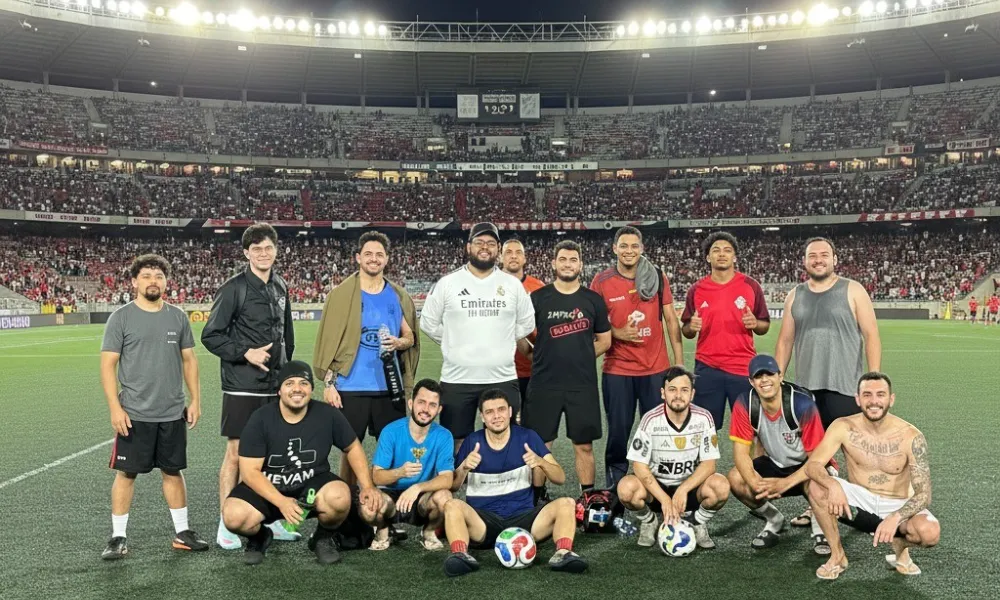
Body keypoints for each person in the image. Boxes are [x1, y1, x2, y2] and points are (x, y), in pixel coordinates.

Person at [221, 361, 385, 566]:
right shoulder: (260, 419)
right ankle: (259, 537)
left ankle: (323, 538)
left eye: (303, 383)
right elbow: (249, 472)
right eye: (289, 383)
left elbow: (352, 447)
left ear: (311, 389)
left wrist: (367, 486)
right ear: (279, 390)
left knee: (340, 496)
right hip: (269, 487)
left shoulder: (327, 414)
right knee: (233, 516)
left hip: (311, 486)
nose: (297, 389)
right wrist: (281, 501)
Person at [99, 254, 207, 559]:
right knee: (126, 474)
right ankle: (118, 537)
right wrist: (115, 408)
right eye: (146, 276)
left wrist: (195, 399)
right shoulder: (121, 318)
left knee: (173, 471)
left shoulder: (178, 317)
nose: (153, 281)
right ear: (134, 282)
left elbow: (189, 360)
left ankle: (182, 533)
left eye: (158, 276)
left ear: (166, 282)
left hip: (172, 412)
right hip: (134, 414)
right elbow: (107, 365)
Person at [202, 223, 297, 549]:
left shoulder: (281, 286)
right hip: (242, 386)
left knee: (270, 456)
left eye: (268, 247)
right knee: (236, 454)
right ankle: (227, 524)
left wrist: (286, 373)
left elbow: (286, 336)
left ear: (276, 250)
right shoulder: (233, 288)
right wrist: (246, 353)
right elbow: (211, 335)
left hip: (274, 386)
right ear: (246, 253)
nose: (263, 253)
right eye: (256, 249)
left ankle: (268, 518)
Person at [805, 372, 939, 580]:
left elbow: (924, 494)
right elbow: (812, 465)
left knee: (930, 532)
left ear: (891, 399)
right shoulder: (843, 426)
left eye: (880, 395)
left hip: (897, 503)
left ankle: (901, 545)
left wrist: (896, 517)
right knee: (816, 487)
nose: (874, 401)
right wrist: (832, 485)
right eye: (867, 395)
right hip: (860, 497)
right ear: (858, 399)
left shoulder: (911, 436)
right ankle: (838, 556)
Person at [312, 231, 420, 486]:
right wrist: (329, 385)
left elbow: (410, 336)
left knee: (392, 450)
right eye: (368, 254)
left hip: (389, 387)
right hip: (350, 387)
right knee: (350, 449)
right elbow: (329, 343)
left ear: (387, 259)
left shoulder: (398, 296)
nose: (374, 259)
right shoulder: (340, 296)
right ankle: (348, 503)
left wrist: (399, 342)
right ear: (358, 258)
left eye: (379, 254)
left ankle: (387, 506)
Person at [442, 389, 587, 577]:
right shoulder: (472, 441)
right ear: (482, 417)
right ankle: (460, 555)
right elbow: (453, 486)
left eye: (501, 409)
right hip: (484, 524)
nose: (496, 416)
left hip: (524, 521)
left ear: (510, 412)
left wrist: (541, 462)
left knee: (566, 503)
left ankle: (563, 553)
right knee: (452, 505)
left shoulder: (527, 437)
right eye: (489, 412)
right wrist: (464, 468)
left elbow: (560, 478)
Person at [421, 222, 535, 452]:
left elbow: (527, 322)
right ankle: (456, 477)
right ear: (468, 247)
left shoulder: (512, 285)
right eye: (479, 242)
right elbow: (428, 322)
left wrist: (501, 336)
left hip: (501, 377)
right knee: (456, 441)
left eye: (491, 243)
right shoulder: (448, 283)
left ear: (498, 249)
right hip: (457, 378)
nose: (485, 247)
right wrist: (454, 339)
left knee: (504, 438)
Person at [590, 226, 684, 488]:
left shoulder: (657, 276)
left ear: (642, 248)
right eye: (624, 246)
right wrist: (618, 333)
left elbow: (671, 319)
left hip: (656, 369)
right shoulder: (602, 281)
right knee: (618, 432)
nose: (629, 251)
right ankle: (616, 486)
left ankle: (659, 484)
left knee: (658, 430)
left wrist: (679, 364)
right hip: (617, 370)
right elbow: (592, 323)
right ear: (615, 249)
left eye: (634, 246)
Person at [521, 240, 611, 497]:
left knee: (584, 445)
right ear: (553, 263)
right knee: (540, 444)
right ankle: (537, 497)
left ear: (580, 264)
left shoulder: (593, 300)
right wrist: (537, 355)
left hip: (581, 385)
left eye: (573, 260)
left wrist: (581, 356)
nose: (568, 264)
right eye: (563, 259)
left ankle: (587, 498)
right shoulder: (538, 298)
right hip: (544, 384)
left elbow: (605, 341)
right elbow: (520, 335)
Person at [727, 354, 832, 555]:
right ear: (751, 382)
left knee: (819, 480)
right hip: (776, 463)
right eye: (758, 376)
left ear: (780, 376)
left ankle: (821, 528)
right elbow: (741, 454)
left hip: (808, 464)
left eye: (769, 374)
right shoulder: (744, 403)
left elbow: (817, 460)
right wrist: (755, 483)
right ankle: (774, 520)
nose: (764, 380)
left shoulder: (802, 404)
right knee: (736, 478)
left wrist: (785, 483)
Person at [617, 366, 730, 550]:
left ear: (692, 394)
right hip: (657, 490)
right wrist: (664, 499)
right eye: (672, 389)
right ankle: (650, 520)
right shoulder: (650, 420)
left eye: (684, 390)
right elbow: (639, 466)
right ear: (663, 393)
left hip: (689, 489)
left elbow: (709, 465)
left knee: (721, 486)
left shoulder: (704, 418)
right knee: (626, 489)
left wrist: (683, 489)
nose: (678, 395)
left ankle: (696, 521)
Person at [774, 237, 881, 429]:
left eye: (824, 255)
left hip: (846, 388)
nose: (818, 260)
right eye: (812, 256)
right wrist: (777, 376)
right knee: (810, 444)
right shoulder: (794, 295)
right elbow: (785, 341)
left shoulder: (854, 290)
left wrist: (873, 377)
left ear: (835, 259)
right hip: (806, 389)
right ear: (804, 261)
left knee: (850, 444)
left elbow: (871, 335)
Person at [681, 231, 770, 431]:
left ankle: (749, 454)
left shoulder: (751, 286)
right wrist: (691, 327)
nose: (722, 254)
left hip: (743, 367)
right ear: (708, 257)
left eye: (727, 250)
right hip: (707, 368)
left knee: (750, 428)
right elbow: (686, 330)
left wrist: (755, 323)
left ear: (734, 257)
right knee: (704, 428)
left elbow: (764, 325)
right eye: (716, 250)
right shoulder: (696, 289)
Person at [371, 379, 454, 551]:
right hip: (390, 495)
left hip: (422, 497)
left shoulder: (444, 436)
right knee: (368, 505)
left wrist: (417, 488)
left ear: (439, 410)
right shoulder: (391, 431)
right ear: (411, 404)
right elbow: (377, 476)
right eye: (421, 402)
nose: (426, 409)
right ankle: (383, 529)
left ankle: (429, 531)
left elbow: (447, 479)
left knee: (445, 497)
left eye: (432, 405)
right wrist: (400, 472)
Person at [500, 237, 545, 403]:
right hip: (498, 371)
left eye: (518, 252)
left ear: (525, 258)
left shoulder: (539, 287)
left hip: (531, 369)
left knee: (532, 417)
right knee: (500, 417)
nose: (513, 256)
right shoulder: (487, 286)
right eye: (508, 252)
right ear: (500, 257)